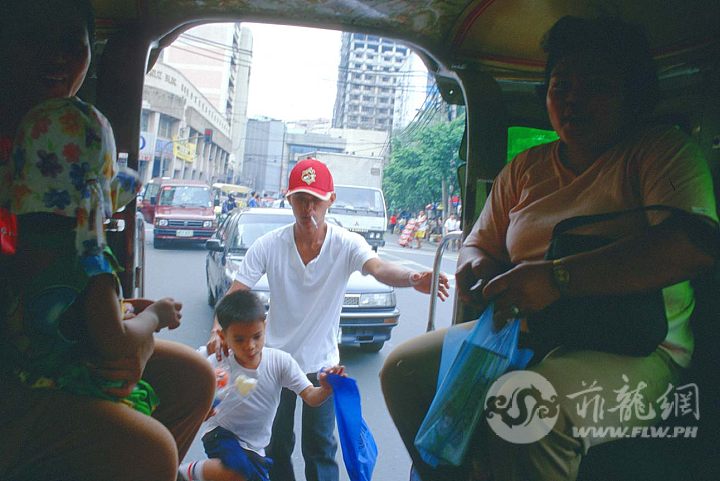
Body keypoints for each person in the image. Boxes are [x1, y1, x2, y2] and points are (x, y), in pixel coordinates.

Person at [381, 15, 718, 481]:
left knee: (525, 404)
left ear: (631, 95)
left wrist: (557, 279)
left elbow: (692, 246)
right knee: (401, 369)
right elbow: (479, 242)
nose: (573, 100)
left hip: (639, 352)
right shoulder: (526, 169)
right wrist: (475, 269)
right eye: (561, 86)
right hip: (524, 333)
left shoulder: (659, 152)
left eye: (595, 86)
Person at [0, 2, 214, 480]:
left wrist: (102, 315)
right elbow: (118, 356)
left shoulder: (36, 200)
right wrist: (149, 318)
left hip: (45, 349)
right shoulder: (86, 254)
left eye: (70, 44)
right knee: (151, 450)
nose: (55, 58)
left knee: (193, 377)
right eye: (34, 39)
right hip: (22, 377)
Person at [206, 158, 449, 481]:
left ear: (330, 200)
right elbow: (236, 293)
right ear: (288, 199)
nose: (308, 209)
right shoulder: (269, 245)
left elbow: (379, 268)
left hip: (321, 363)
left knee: (320, 448)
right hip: (274, 363)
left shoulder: (346, 243)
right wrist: (216, 331)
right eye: (301, 200)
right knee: (276, 444)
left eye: (316, 201)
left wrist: (412, 277)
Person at [180, 290, 345, 481]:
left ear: (265, 328)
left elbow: (310, 396)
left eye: (256, 337)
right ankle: (185, 473)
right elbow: (182, 369)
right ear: (223, 337)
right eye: (239, 339)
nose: (250, 346)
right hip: (220, 433)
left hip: (256, 448)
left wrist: (326, 388)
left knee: (245, 474)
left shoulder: (280, 362)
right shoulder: (216, 360)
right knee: (238, 471)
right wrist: (198, 407)